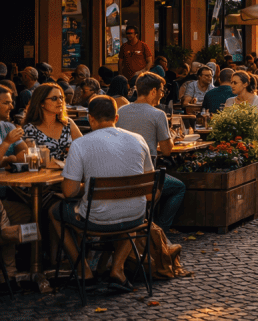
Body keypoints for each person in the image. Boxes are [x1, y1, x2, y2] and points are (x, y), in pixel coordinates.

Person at [49, 95, 152, 292]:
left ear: (90, 119)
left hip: (95, 220)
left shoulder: (80, 144)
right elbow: (148, 188)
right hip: (136, 218)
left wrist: (87, 188)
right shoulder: (139, 139)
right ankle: (117, 270)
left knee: (54, 211)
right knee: (129, 206)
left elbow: (69, 192)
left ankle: (84, 271)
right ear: (116, 117)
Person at [115, 73, 185, 230]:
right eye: (161, 90)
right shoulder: (158, 114)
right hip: (146, 176)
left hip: (121, 174)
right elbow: (167, 151)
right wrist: (172, 136)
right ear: (153, 91)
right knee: (179, 187)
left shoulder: (121, 111)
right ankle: (159, 229)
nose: (162, 94)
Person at [22, 83, 83, 162]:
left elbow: (84, 149)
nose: (60, 101)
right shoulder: (30, 129)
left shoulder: (68, 123)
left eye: (61, 98)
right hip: (45, 170)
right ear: (41, 103)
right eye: (54, 98)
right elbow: (31, 159)